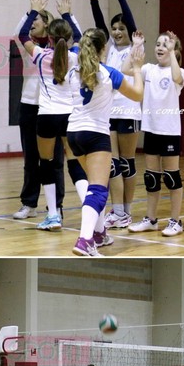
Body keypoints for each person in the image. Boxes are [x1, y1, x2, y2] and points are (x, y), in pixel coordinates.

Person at [64, 26, 145, 256]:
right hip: (96, 135)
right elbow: (138, 94)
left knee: (94, 186)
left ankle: (99, 233)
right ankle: (84, 240)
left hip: (73, 134)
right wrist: (137, 69)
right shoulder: (109, 73)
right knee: (99, 190)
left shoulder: (73, 73)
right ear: (103, 49)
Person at [19, 0, 89, 233]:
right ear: (67, 38)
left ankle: (52, 216)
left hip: (46, 117)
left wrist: (33, 10)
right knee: (75, 165)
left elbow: (22, 34)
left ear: (48, 36)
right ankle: (89, 212)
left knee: (46, 164)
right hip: (70, 118)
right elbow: (80, 36)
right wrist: (67, 14)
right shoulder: (75, 56)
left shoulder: (40, 55)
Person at [90, 0, 141, 230]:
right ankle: (118, 210)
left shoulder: (135, 48)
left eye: (121, 29)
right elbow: (99, 27)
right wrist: (94, 2)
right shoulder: (108, 47)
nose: (117, 32)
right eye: (115, 29)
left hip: (129, 111)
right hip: (109, 112)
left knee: (127, 162)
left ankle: (127, 211)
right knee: (112, 164)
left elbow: (132, 25)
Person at [126, 32, 184, 237]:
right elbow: (126, 69)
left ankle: (176, 221)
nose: (160, 47)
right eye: (158, 44)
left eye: (165, 45)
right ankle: (151, 220)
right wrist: (136, 46)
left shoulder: (179, 71)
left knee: (172, 178)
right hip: (151, 129)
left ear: (174, 50)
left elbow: (177, 78)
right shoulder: (148, 70)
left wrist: (172, 51)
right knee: (151, 178)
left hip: (169, 131)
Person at [15, 3, 68, 222]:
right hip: (29, 105)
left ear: (47, 24)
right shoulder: (28, 47)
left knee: (55, 160)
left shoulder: (60, 48)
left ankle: (56, 206)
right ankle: (29, 203)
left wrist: (66, 14)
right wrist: (31, 11)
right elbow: (18, 32)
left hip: (53, 109)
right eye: (31, 19)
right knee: (31, 158)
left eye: (36, 19)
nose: (32, 23)